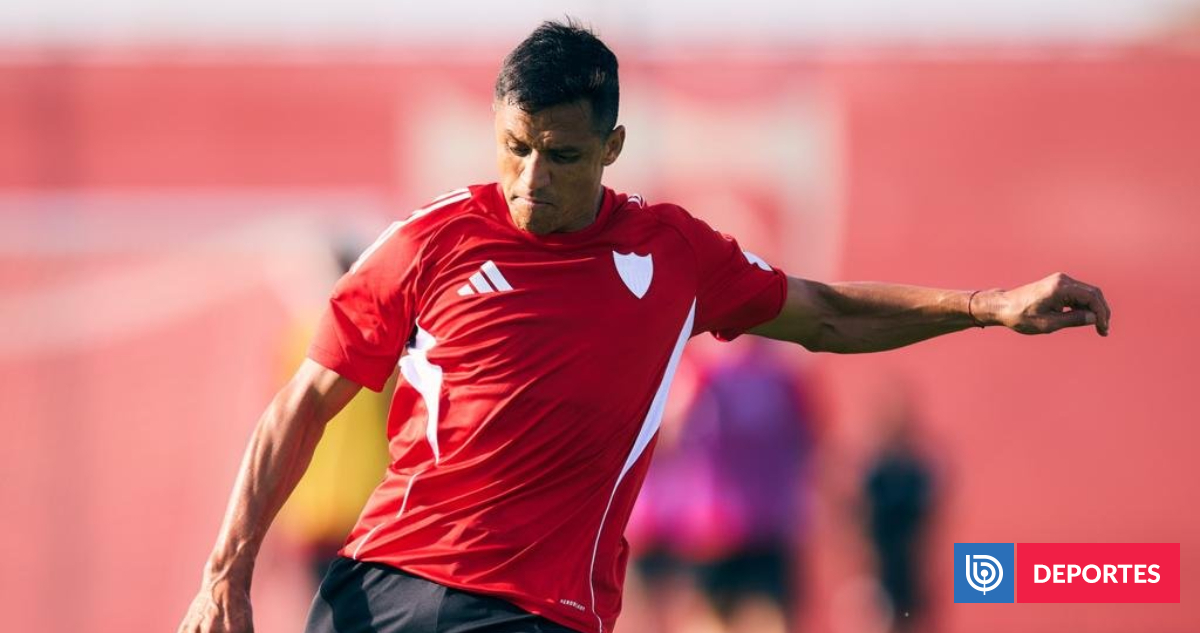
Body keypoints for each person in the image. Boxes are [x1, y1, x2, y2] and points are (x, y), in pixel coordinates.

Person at [177, 19, 1111, 633]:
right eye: (514, 147)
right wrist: (227, 568)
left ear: (612, 147)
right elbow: (302, 405)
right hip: (377, 587)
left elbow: (823, 315)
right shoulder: (426, 242)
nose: (531, 180)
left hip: (530, 610)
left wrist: (985, 306)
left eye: (560, 155)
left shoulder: (673, 254)